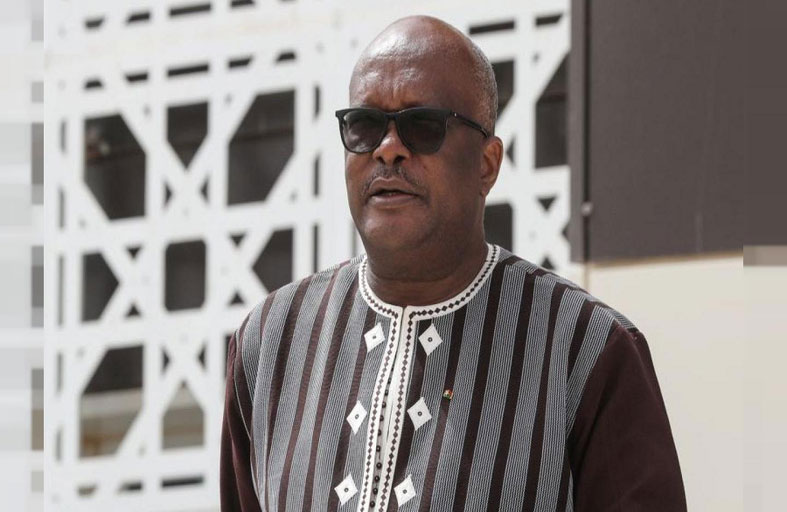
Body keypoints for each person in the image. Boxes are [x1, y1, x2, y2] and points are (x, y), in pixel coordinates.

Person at [220, 15, 686, 512]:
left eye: (422, 126)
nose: (388, 150)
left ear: (487, 164)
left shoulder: (584, 351)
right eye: (365, 125)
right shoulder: (271, 345)